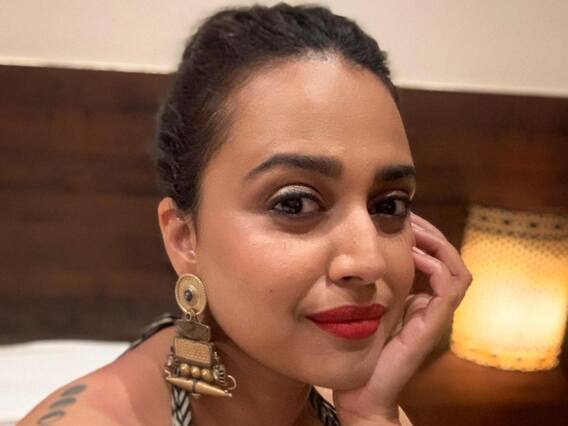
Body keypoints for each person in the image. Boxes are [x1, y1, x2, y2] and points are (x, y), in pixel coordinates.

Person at [19, 3, 472, 425]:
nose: (369, 260)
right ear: (184, 239)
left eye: (389, 205)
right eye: (294, 203)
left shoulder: (357, 399)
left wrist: (372, 415)